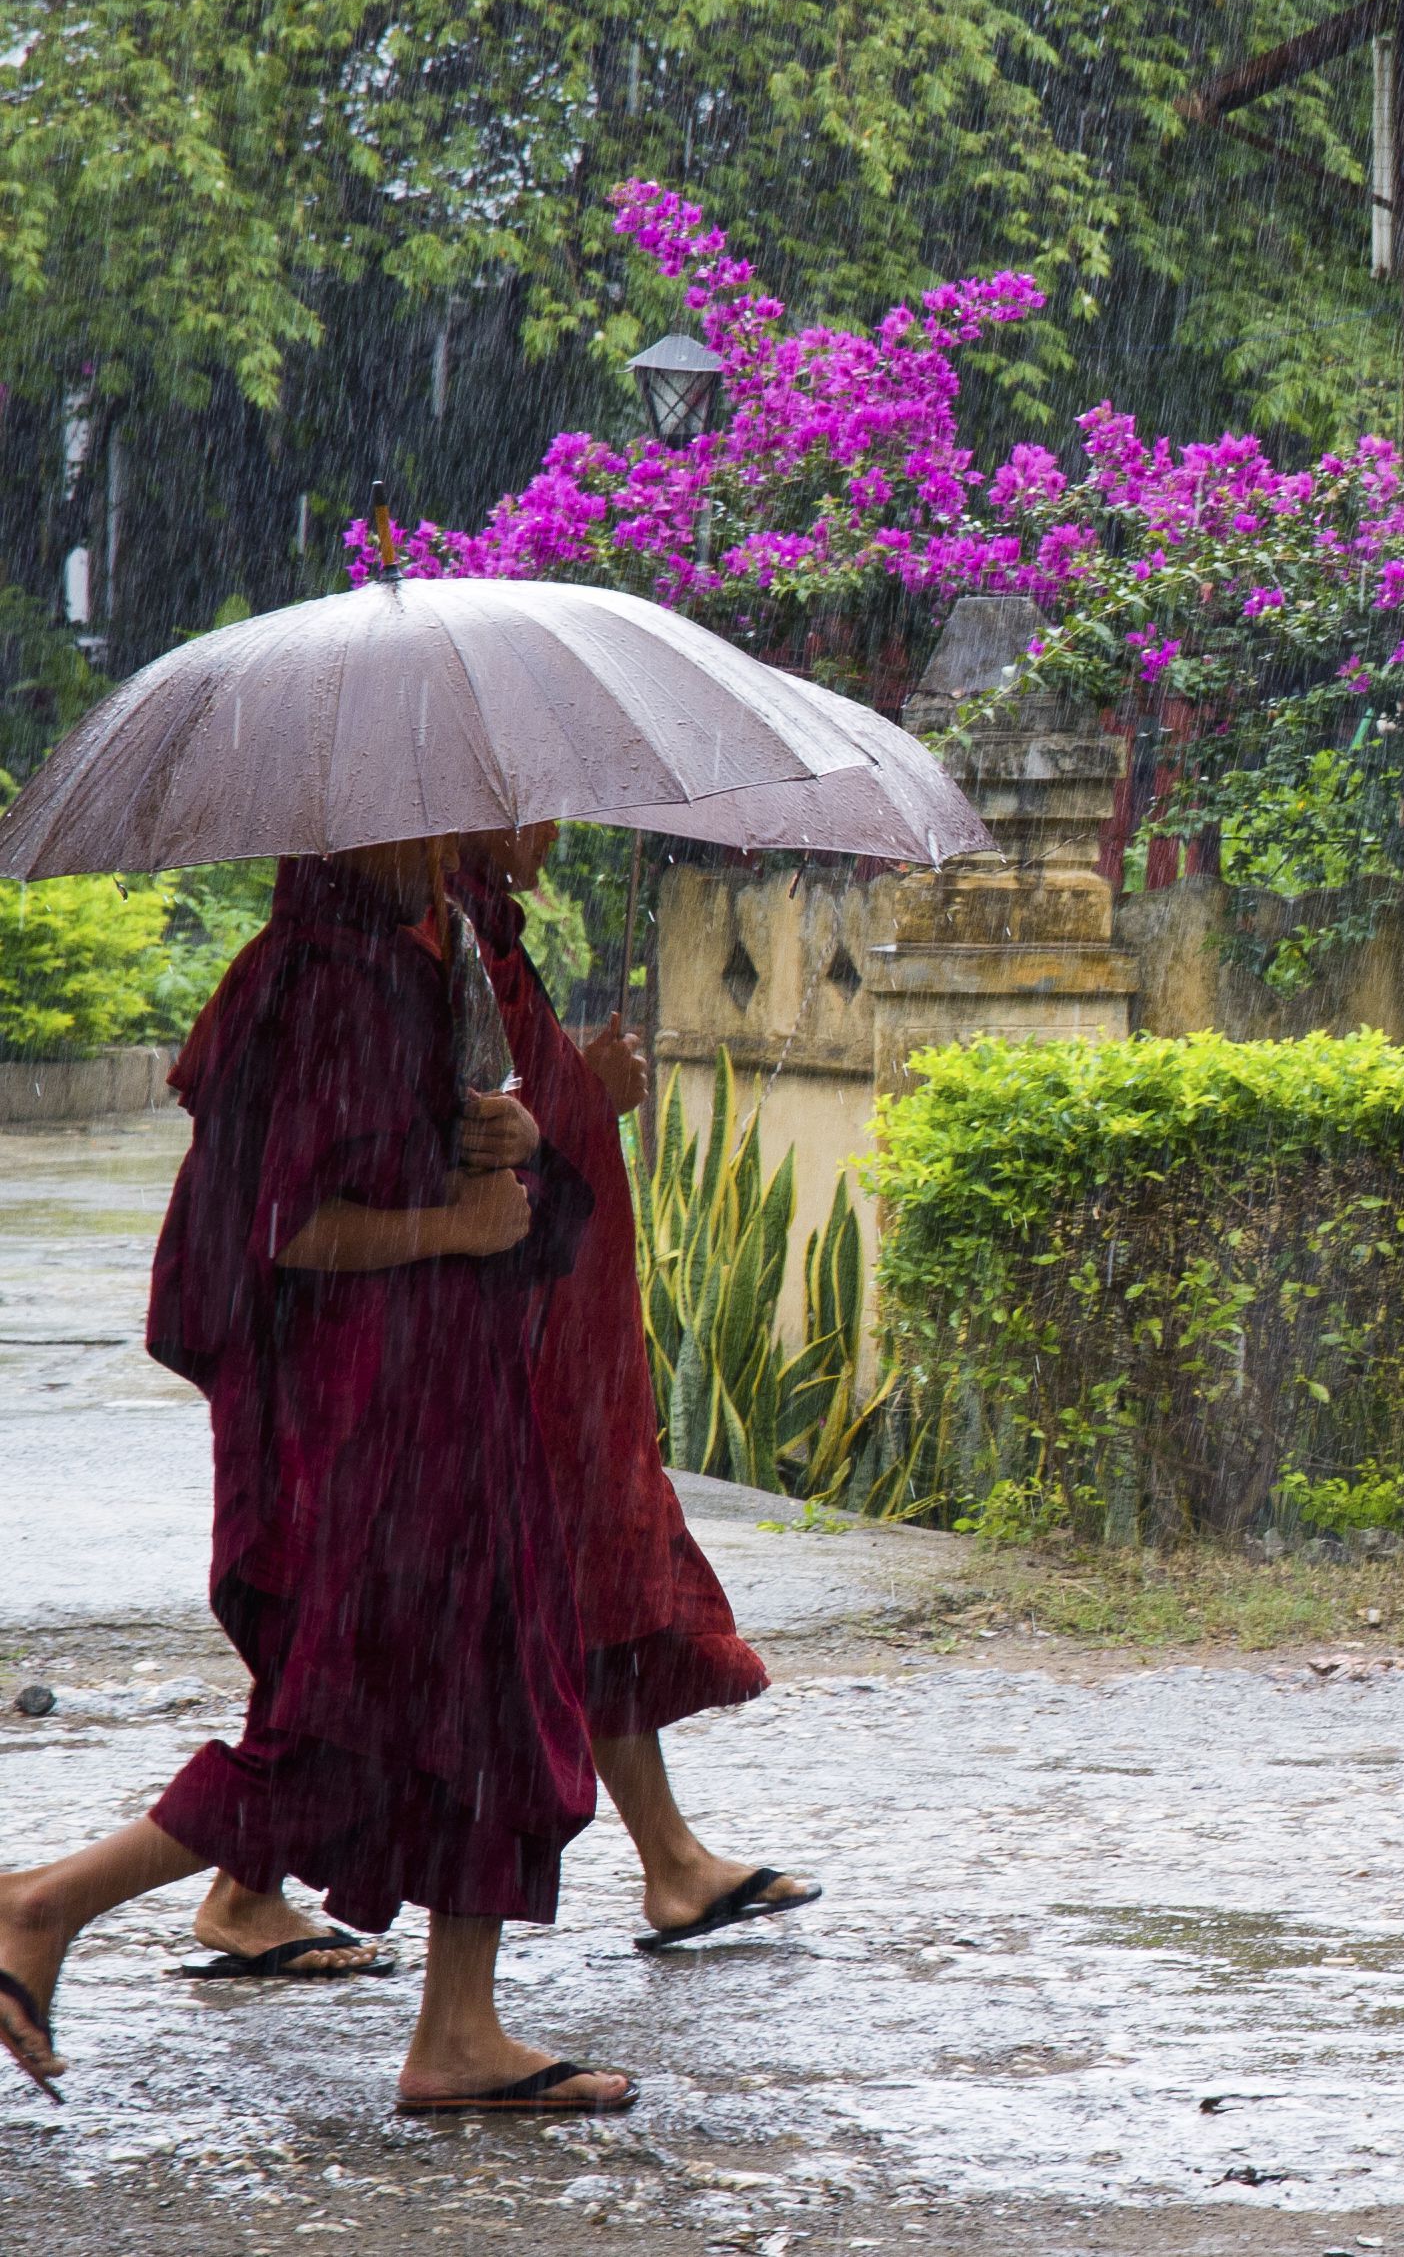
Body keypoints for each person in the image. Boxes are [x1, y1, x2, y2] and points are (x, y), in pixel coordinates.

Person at [0, 841, 629, 2112]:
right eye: (432, 810)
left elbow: (468, 1170)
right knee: (335, 1725)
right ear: (354, 827)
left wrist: (514, 1132)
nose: (460, 832)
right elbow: (287, 1228)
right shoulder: (321, 979)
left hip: (451, 1394)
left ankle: (458, 2033)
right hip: (353, 1420)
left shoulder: (443, 950)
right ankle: (38, 1904)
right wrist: (453, 1222)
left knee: (491, 1698)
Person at [193, 825, 818, 1969]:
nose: (548, 827)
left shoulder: (459, 936)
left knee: (551, 1598)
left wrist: (573, 1094)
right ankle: (127, 1897)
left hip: (520, 1324)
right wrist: (562, 1121)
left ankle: (647, 1871)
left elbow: (493, 1115)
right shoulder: (367, 962)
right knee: (410, 1636)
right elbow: (321, 1202)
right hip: (448, 1352)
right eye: (520, 805)